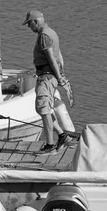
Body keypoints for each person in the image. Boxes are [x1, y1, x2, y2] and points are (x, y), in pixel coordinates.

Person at [22, 10, 78, 155]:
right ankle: (62, 135)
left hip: (47, 77)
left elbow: (52, 58)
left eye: (29, 24)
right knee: (43, 109)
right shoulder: (51, 32)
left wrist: (59, 77)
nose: (29, 27)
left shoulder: (44, 36)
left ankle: (50, 145)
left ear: (36, 21)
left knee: (44, 110)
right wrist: (60, 73)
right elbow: (59, 55)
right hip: (48, 75)